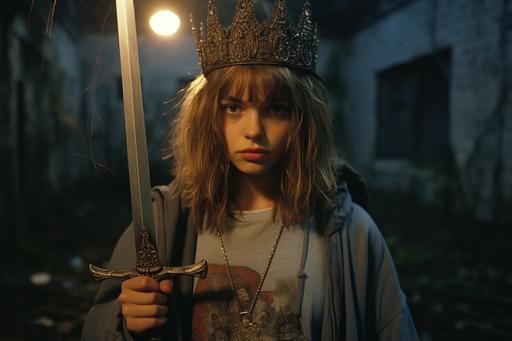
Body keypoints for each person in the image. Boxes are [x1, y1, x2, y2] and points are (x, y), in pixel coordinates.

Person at [82, 0, 419, 340]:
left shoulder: (351, 233)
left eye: (276, 108)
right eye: (233, 107)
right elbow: (96, 329)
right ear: (208, 118)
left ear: (303, 123)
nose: (253, 130)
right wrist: (126, 325)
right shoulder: (162, 223)